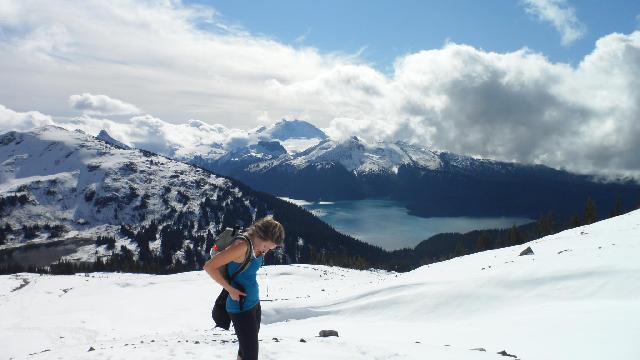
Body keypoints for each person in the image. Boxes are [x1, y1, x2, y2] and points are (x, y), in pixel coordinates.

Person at [203, 215, 285, 360]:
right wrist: (230, 289)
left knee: (245, 350)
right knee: (250, 355)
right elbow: (209, 266)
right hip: (240, 307)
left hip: (253, 303)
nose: (265, 251)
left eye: (270, 249)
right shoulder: (242, 246)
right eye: (266, 246)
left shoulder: (257, 246)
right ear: (260, 235)